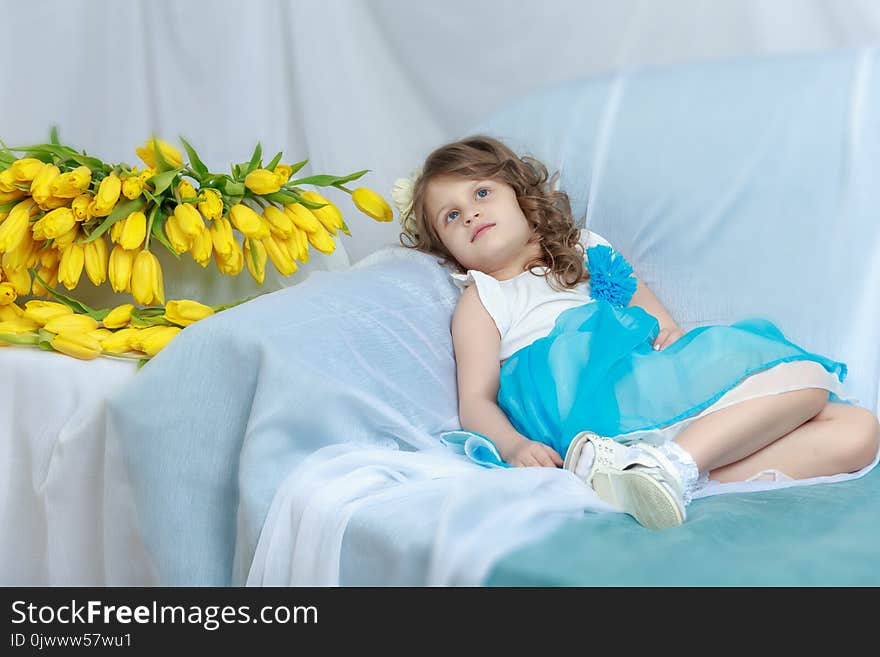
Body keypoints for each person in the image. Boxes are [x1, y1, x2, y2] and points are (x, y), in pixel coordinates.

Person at [395, 135, 880, 530]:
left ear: (521, 198)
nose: (471, 214)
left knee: (859, 432)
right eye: (452, 216)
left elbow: (648, 311)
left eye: (481, 194)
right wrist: (513, 445)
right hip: (583, 403)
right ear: (448, 249)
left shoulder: (585, 248)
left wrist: (669, 333)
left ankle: (668, 476)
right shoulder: (483, 298)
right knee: (807, 379)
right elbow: (476, 399)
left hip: (646, 379)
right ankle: (675, 465)